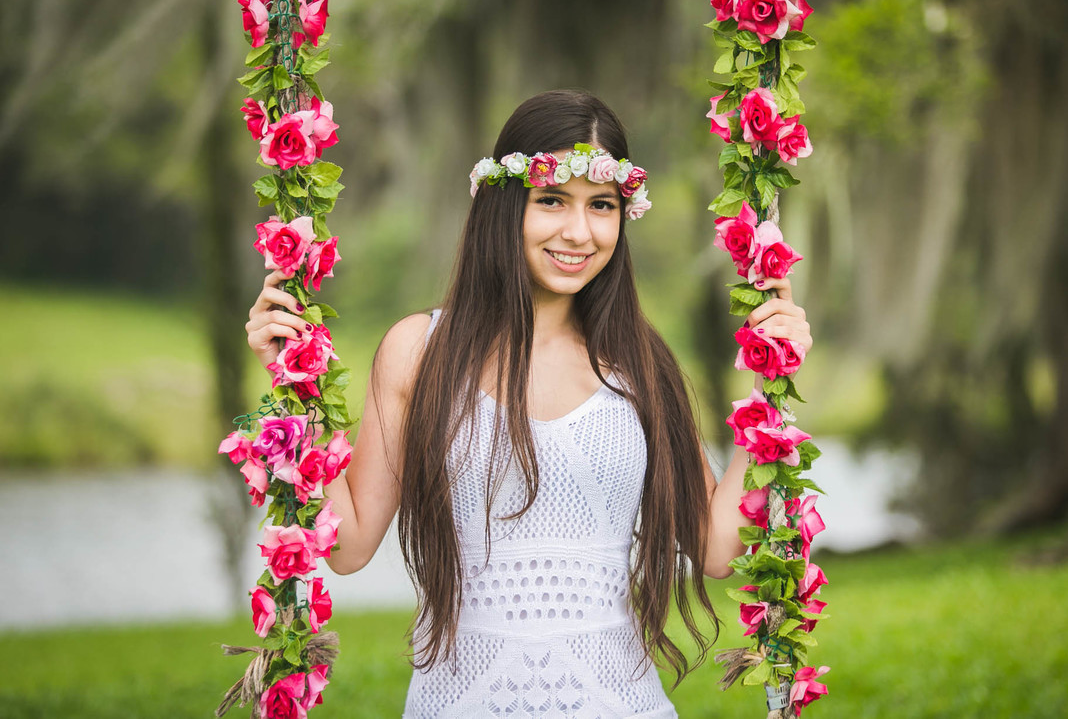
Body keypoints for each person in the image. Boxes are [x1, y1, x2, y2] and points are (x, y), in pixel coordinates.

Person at [244, 89, 813, 717]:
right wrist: (296, 382)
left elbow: (715, 550)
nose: (579, 232)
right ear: (505, 203)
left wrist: (767, 388)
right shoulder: (420, 351)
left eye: (601, 205)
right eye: (552, 200)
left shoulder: (640, 365)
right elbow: (348, 548)